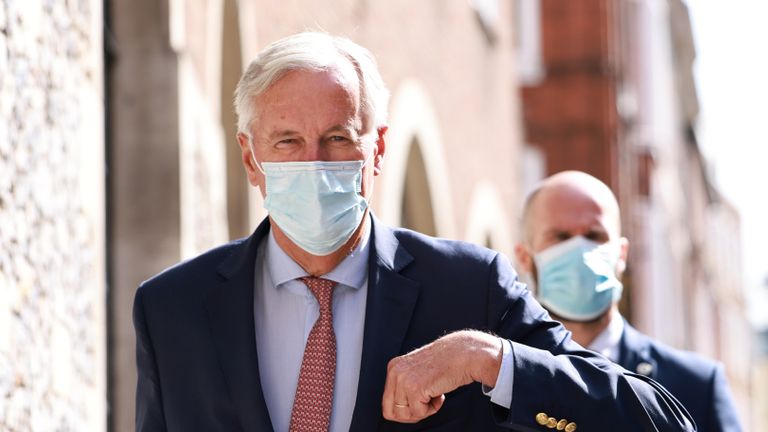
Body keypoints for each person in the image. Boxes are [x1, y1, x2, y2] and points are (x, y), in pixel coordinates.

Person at [133, 32, 695, 432]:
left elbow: (660, 421)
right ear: (251, 158)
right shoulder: (172, 311)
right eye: (286, 142)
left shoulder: (468, 289)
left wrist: (488, 358)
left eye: (337, 138)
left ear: (376, 148)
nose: (314, 163)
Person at [514, 170, 743, 432]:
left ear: (621, 253)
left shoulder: (696, 385)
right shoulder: (498, 377)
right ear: (524, 257)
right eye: (561, 237)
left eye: (594, 236)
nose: (580, 252)